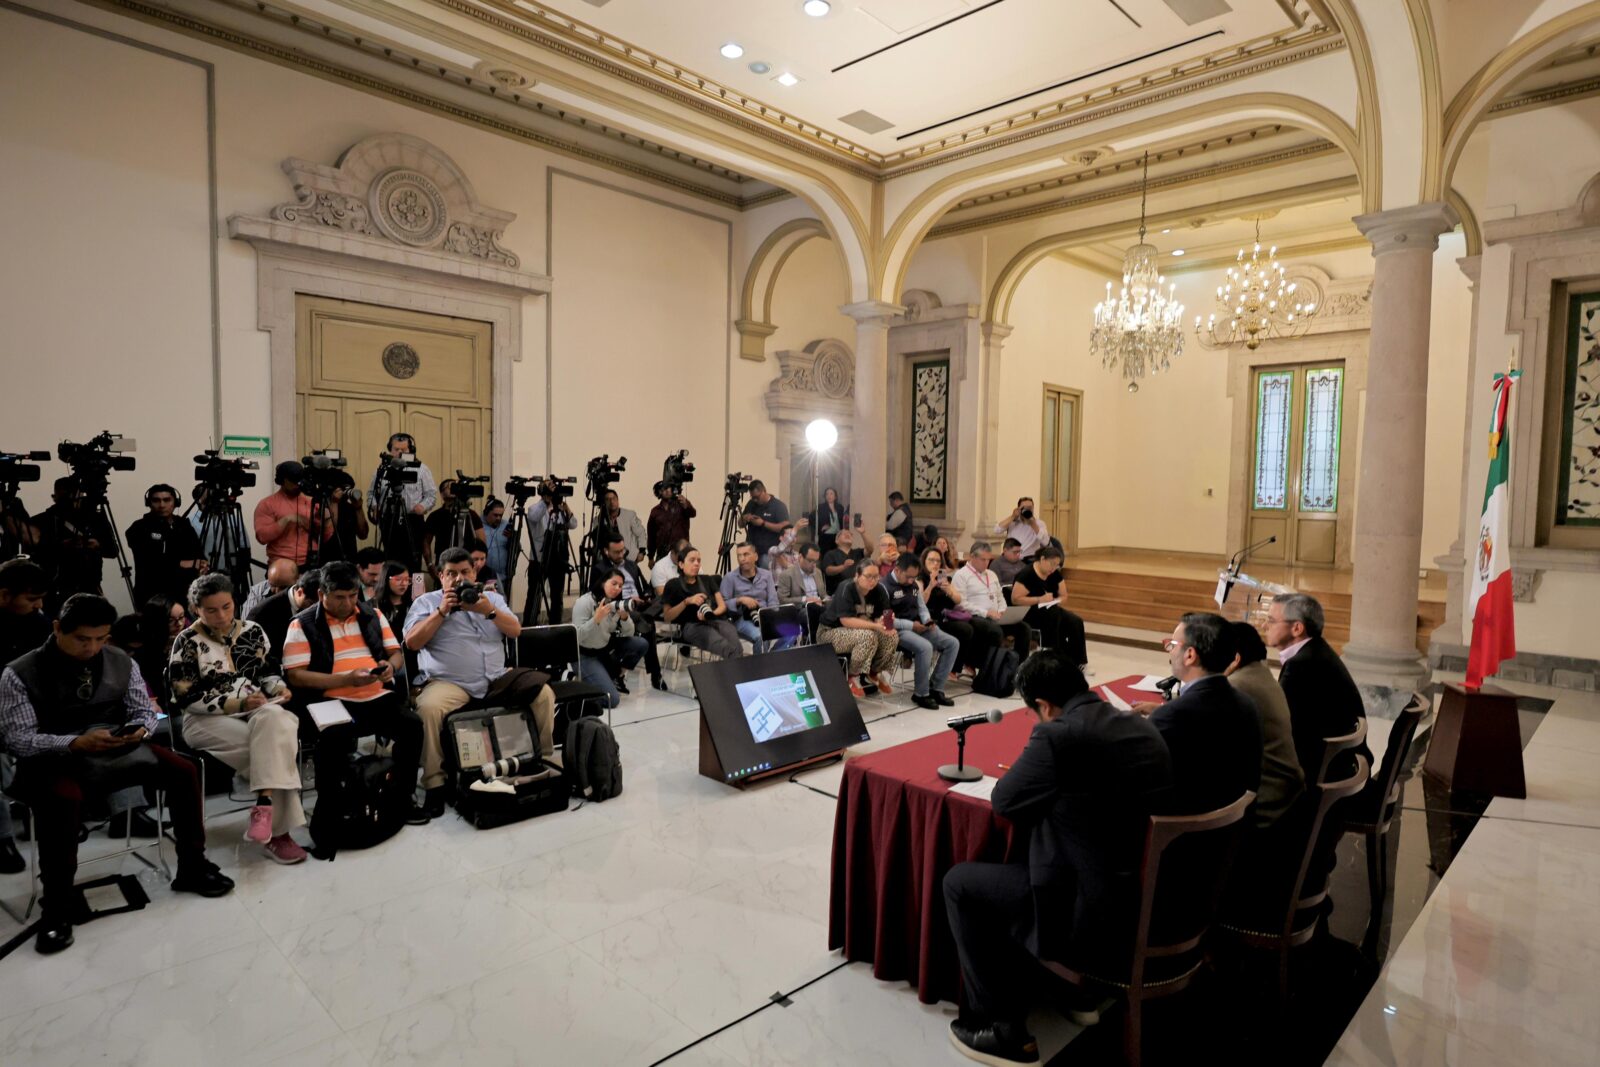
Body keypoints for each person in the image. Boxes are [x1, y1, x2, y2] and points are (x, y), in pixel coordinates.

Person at [943, 651, 1174, 1064]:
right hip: (1141, 892)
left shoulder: (1058, 736)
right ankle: (1073, 990)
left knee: (961, 884)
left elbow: (1005, 801)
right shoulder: (1141, 725)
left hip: (1084, 907)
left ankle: (1006, 1030)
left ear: (1044, 706)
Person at [0, 595, 234, 954]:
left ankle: (192, 866)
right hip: (51, 758)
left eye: (101, 639)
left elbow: (143, 711)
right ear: (58, 629)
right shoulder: (19, 673)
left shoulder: (120, 659)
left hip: (113, 745)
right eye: (82, 639)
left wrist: (138, 730)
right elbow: (19, 739)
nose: (92, 648)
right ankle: (57, 907)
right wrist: (74, 742)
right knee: (63, 799)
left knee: (183, 771)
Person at [282, 561, 429, 850]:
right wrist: (345, 679)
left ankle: (402, 798)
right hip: (330, 699)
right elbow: (296, 675)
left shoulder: (372, 614)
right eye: (339, 597)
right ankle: (330, 817)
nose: (348, 604)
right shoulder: (302, 624)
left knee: (411, 727)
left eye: (352, 596)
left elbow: (395, 653)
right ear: (322, 594)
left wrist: (389, 666)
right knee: (333, 741)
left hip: (375, 694)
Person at [168, 574, 307, 865]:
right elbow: (186, 697)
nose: (221, 616)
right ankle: (279, 835)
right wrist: (238, 703)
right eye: (211, 610)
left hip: (254, 709)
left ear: (235, 602)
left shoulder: (253, 631)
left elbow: (268, 672)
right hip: (203, 719)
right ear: (196, 609)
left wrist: (278, 689)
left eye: (227, 607)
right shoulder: (187, 642)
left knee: (277, 717)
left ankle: (264, 810)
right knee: (275, 748)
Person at [405, 548, 551, 818]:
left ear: (474, 573)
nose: (459, 579)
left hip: (496, 677)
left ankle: (539, 759)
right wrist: (441, 612)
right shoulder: (426, 602)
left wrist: (489, 611)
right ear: (440, 576)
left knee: (543, 693)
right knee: (429, 709)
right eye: (451, 573)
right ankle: (435, 784)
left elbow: (515, 631)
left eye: (465, 572)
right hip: (451, 683)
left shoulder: (491, 598)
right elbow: (412, 643)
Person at [1140, 613, 1263, 815]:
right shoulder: (1247, 705)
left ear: (1190, 655)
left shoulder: (1170, 717)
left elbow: (1140, 781)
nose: (1169, 650)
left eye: (1172, 645)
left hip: (1177, 828)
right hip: (1234, 826)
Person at [1267, 592, 1373, 780]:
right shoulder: (1317, 651)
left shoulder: (1301, 665)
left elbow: (1280, 728)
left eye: (1271, 621)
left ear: (1297, 628)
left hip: (1323, 773)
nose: (1264, 626)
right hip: (1340, 763)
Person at [1224, 621, 1304, 831]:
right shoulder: (1261, 673)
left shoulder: (1237, 684)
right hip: (1288, 793)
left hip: (1268, 804)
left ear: (1235, 658)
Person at [0, 559, 52, 873]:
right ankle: (2, 836)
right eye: (32, 599)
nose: (39, 605)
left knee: (101, 725)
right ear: (4, 595)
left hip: (38, 707)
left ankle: (126, 811)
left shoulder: (38, 623)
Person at [880, 554, 960, 709]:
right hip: (897, 630)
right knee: (925, 647)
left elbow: (922, 607)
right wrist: (912, 625)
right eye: (908, 577)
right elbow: (887, 622)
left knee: (952, 643)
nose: (911, 581)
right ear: (897, 570)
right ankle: (921, 694)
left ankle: (936, 688)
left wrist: (928, 620)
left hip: (918, 625)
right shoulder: (884, 587)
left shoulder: (913, 585)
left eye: (914, 577)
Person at [31, 477, 117, 613]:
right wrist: (61, 547)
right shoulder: (44, 520)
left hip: (90, 584)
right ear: (54, 497)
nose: (71, 500)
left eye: (73, 495)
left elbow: (113, 551)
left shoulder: (95, 519)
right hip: (56, 587)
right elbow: (36, 554)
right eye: (66, 496)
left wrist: (97, 545)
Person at [817, 560, 898, 698]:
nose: (873, 580)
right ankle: (852, 675)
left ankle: (874, 671)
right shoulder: (846, 587)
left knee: (892, 636)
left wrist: (887, 622)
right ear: (857, 575)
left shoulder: (880, 590)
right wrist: (876, 626)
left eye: (876, 576)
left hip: (864, 631)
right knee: (867, 636)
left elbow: (886, 616)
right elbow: (846, 620)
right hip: (830, 632)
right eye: (868, 576)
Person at [598, 530, 666, 690]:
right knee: (648, 624)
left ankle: (647, 615)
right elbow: (601, 597)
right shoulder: (600, 569)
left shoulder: (631, 565)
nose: (621, 554)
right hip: (621, 608)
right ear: (606, 551)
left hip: (640, 605)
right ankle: (655, 674)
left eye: (623, 550)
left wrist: (647, 596)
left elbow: (646, 587)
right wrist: (628, 601)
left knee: (663, 598)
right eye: (616, 552)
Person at [572, 569, 649, 708]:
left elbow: (629, 633)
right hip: (584, 655)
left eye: (620, 586)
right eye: (614, 584)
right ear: (603, 582)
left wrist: (625, 618)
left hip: (604, 650)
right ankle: (581, 689)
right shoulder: (584, 602)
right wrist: (595, 619)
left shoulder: (614, 604)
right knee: (612, 700)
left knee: (641, 643)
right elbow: (576, 636)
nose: (617, 588)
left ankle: (616, 676)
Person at [952, 541, 1032, 668]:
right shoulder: (961, 575)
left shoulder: (991, 574)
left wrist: (1002, 610)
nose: (986, 563)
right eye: (982, 559)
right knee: (995, 631)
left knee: (1024, 628)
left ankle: (1017, 668)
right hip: (975, 617)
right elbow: (961, 604)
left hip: (996, 616)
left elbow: (1000, 596)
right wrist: (986, 613)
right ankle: (989, 671)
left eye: (988, 560)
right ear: (972, 557)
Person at [125, 483, 206, 606]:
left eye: (167, 500)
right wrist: (183, 563)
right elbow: (151, 561)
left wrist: (202, 565)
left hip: (183, 594)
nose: (162, 505)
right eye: (156, 500)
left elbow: (197, 554)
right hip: (151, 596)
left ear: (175, 502)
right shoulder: (138, 528)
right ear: (149, 503)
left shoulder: (184, 525)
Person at [367, 432, 438, 571]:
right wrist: (375, 507)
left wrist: (422, 506)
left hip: (412, 520)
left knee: (413, 560)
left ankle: (413, 584)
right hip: (388, 519)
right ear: (390, 450)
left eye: (404, 450)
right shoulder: (382, 470)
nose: (399, 453)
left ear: (411, 450)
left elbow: (431, 495)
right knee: (390, 559)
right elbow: (371, 494)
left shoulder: (422, 469)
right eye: (396, 449)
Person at [1010, 545, 1089, 668]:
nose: (1053, 568)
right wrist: (1039, 599)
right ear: (1042, 559)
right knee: (1053, 615)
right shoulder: (1027, 574)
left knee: (1075, 621)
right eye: (1052, 564)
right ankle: (1053, 656)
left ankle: (1078, 661)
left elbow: (1064, 595)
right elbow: (1015, 599)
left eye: (1057, 565)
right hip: (1029, 611)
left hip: (1050, 608)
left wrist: (1055, 600)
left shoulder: (1054, 574)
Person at [661, 546, 742, 659]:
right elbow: (667, 617)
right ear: (681, 564)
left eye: (698, 561)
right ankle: (736, 669)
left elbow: (722, 606)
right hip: (692, 626)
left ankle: (734, 668)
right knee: (725, 647)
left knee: (737, 646)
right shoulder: (673, 585)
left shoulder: (707, 580)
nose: (696, 564)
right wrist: (686, 602)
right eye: (692, 560)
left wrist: (710, 614)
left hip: (715, 620)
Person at [253, 461, 330, 567]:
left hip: (310, 563)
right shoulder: (267, 504)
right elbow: (262, 537)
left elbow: (326, 535)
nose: (297, 484)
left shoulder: (312, 502)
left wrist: (325, 517)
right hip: (281, 564)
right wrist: (286, 520)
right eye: (293, 481)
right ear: (282, 480)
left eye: (299, 480)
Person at [720, 542, 792, 652]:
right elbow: (722, 604)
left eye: (746, 554)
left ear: (756, 556)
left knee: (792, 630)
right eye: (739, 555)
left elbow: (773, 600)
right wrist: (739, 600)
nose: (742, 559)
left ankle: (772, 656)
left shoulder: (766, 575)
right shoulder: (730, 578)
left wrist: (772, 616)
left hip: (765, 614)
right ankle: (762, 662)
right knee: (761, 636)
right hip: (743, 618)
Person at [247, 566, 322, 669]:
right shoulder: (262, 613)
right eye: (312, 604)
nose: (316, 609)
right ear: (300, 592)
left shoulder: (311, 604)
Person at [918, 547, 976, 674]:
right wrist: (930, 586)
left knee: (968, 628)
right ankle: (946, 669)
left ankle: (954, 669)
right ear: (924, 561)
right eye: (931, 560)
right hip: (925, 621)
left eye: (938, 561)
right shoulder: (920, 579)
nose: (935, 564)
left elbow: (958, 600)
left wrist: (949, 590)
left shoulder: (944, 578)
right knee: (962, 631)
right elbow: (920, 603)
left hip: (941, 619)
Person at [526, 479, 577, 622]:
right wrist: (546, 500)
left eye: (554, 488)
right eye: (550, 488)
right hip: (539, 559)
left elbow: (573, 524)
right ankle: (529, 625)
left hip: (558, 560)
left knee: (557, 597)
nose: (553, 491)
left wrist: (566, 509)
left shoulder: (560, 510)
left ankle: (556, 625)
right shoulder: (535, 508)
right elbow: (534, 516)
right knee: (534, 595)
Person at [422, 479, 485, 570]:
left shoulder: (471, 514)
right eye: (450, 486)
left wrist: (479, 562)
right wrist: (430, 565)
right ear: (442, 493)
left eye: (456, 486)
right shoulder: (435, 516)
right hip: (443, 563)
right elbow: (426, 541)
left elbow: (481, 541)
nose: (454, 488)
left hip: (467, 562)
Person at [776, 543, 827, 640]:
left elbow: (823, 595)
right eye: (810, 561)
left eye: (816, 561)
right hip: (800, 609)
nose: (814, 565)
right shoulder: (787, 575)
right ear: (800, 557)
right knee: (815, 612)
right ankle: (815, 641)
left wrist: (829, 600)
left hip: (820, 606)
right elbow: (782, 600)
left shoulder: (818, 572)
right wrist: (805, 599)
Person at [739, 480, 790, 568]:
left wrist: (763, 523)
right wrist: (745, 518)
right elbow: (740, 524)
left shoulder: (778, 506)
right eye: (752, 497)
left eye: (757, 497)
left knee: (765, 573)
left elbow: (785, 528)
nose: (755, 500)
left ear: (764, 491)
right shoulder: (751, 504)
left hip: (768, 553)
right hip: (751, 552)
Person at [647, 481, 696, 563]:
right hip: (662, 553)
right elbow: (651, 535)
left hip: (681, 551)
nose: (666, 490)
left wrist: (686, 504)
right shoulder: (655, 511)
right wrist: (651, 557)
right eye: (663, 489)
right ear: (658, 492)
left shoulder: (681, 505)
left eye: (668, 488)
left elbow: (693, 513)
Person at [372, 561, 415, 645]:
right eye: (398, 579)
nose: (404, 583)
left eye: (407, 580)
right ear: (385, 579)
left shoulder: (412, 606)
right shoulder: (373, 606)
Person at [601, 489, 647, 562]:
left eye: (614, 498)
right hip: (610, 560)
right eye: (608, 499)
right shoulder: (599, 519)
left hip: (630, 558)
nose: (611, 502)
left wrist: (642, 552)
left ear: (618, 500)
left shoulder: (629, 515)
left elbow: (641, 533)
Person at [821, 527, 866, 595]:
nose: (847, 535)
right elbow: (828, 570)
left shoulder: (858, 552)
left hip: (857, 592)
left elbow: (870, 549)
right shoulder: (830, 554)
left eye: (850, 534)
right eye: (843, 534)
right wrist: (843, 567)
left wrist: (863, 533)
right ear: (836, 540)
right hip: (838, 594)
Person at [480, 498, 512, 583]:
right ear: (486, 512)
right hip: (484, 577)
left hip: (504, 577)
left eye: (500, 515)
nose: (498, 518)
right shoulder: (478, 526)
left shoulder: (506, 525)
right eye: (495, 515)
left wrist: (511, 538)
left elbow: (516, 548)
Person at [811, 486, 849, 555]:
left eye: (831, 493)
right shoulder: (821, 507)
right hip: (826, 537)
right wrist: (820, 527)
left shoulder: (840, 507)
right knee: (826, 556)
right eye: (827, 494)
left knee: (837, 556)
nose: (829, 496)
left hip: (838, 537)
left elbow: (843, 521)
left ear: (835, 496)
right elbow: (811, 518)